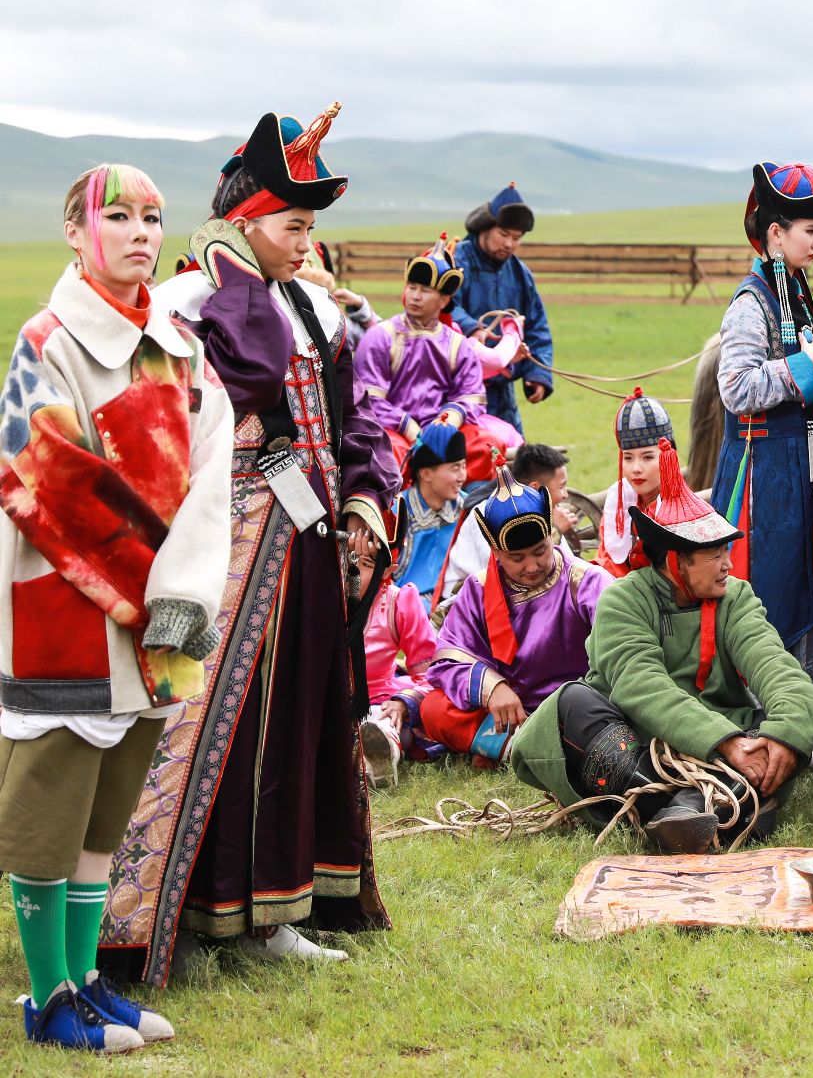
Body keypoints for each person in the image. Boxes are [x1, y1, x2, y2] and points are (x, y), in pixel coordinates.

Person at [106, 103, 398, 983]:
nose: (305, 241)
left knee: (300, 722)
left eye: (310, 225)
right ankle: (181, 920)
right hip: (221, 549)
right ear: (241, 222)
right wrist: (235, 273)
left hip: (305, 544)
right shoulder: (191, 304)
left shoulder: (317, 308)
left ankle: (277, 908)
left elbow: (355, 422)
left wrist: (362, 505)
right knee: (207, 728)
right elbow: (246, 378)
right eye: (290, 224)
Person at [0, 164, 231, 1052]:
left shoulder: (180, 345)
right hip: (66, 599)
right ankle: (45, 995)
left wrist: (180, 589)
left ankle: (88, 979)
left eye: (153, 218)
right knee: (50, 800)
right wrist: (146, 581)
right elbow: (46, 474)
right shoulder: (47, 339)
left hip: (163, 605)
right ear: (75, 230)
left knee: (111, 802)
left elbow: (213, 471)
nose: (140, 231)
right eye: (118, 215)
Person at [512, 439, 813, 853]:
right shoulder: (623, 599)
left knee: (773, 728)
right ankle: (700, 804)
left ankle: (689, 811)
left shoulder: (736, 596)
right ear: (677, 561)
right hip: (636, 742)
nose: (728, 565)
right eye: (715, 554)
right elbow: (641, 686)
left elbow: (778, 668)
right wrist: (728, 744)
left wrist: (784, 737)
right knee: (573, 703)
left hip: (724, 735)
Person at [711, 162, 813, 688]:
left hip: (805, 473)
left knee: (811, 591)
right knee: (769, 595)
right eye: (811, 231)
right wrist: (805, 363)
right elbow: (735, 387)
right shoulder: (751, 305)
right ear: (776, 234)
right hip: (764, 480)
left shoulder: (797, 296)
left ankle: (799, 727)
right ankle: (761, 728)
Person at [415, 469, 609, 767]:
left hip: (579, 708)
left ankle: (516, 750)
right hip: (509, 712)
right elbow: (447, 660)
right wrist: (493, 688)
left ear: (551, 536)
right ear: (495, 552)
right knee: (434, 709)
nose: (531, 566)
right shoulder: (479, 589)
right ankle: (528, 749)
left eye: (539, 551)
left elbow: (618, 652)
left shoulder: (585, 582)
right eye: (517, 558)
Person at [352, 233, 515, 483]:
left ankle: (466, 516)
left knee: (487, 447)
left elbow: (470, 395)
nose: (415, 296)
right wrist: (408, 426)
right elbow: (369, 400)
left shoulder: (457, 344)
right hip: (393, 429)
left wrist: (446, 422)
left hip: (443, 428)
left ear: (444, 299)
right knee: (388, 455)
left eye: (425, 290)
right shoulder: (380, 337)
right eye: (412, 287)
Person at [451, 182, 553, 433]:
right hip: (457, 385)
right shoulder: (455, 261)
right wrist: (471, 327)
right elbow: (443, 305)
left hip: (502, 389)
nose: (509, 244)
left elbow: (536, 325)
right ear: (485, 228)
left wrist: (537, 373)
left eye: (516, 238)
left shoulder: (520, 274)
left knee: (509, 461)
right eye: (504, 235)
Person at [438, 443, 575, 613]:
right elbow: (500, 570)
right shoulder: (490, 515)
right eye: (561, 486)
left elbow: (567, 568)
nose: (565, 495)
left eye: (539, 551)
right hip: (472, 598)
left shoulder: (544, 513)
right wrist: (556, 531)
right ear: (535, 488)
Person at [355, 514, 440, 786]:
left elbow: (433, 675)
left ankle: (381, 756)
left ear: (387, 570)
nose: (350, 572)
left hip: (378, 700)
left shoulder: (399, 602)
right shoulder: (317, 599)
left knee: (381, 723)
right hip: (325, 702)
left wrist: (404, 702)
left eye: (364, 564)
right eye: (345, 559)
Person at [597, 387, 675, 578]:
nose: (636, 469)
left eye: (647, 458)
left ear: (668, 456)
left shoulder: (680, 509)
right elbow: (605, 562)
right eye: (628, 458)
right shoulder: (620, 504)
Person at [391, 423, 467, 605]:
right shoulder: (397, 510)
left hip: (452, 602)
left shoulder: (465, 507)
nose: (462, 476)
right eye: (455, 468)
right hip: (404, 608)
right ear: (426, 473)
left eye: (464, 466)